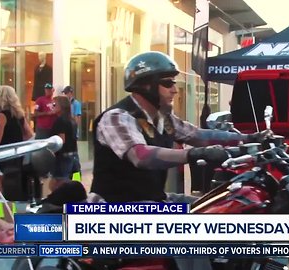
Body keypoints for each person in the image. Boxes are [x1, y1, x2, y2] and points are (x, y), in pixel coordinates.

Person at [91, 51, 270, 270]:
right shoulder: (119, 117)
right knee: (190, 230)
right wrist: (192, 154)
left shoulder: (161, 119)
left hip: (153, 200)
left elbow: (197, 135)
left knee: (216, 207)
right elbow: (140, 155)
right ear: (145, 85)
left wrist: (248, 139)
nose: (175, 89)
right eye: (168, 83)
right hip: (115, 209)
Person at [0, 85, 34, 221]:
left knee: (0, 190)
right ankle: (13, 218)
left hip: (3, 156)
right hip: (17, 155)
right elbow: (29, 134)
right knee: (12, 187)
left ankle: (7, 220)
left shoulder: (1, 115)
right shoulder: (20, 116)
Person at [49, 96, 79, 192]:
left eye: (54, 104)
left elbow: (61, 141)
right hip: (73, 156)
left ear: (61, 106)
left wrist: (52, 153)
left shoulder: (60, 121)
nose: (52, 106)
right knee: (68, 184)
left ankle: (61, 205)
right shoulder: (72, 120)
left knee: (57, 185)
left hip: (63, 157)